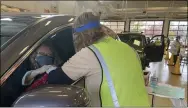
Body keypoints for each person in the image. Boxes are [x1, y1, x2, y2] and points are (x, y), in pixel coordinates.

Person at [23, 11, 150, 107]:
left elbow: (56, 78)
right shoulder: (127, 48)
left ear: (80, 35)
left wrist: (48, 68)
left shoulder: (90, 53)